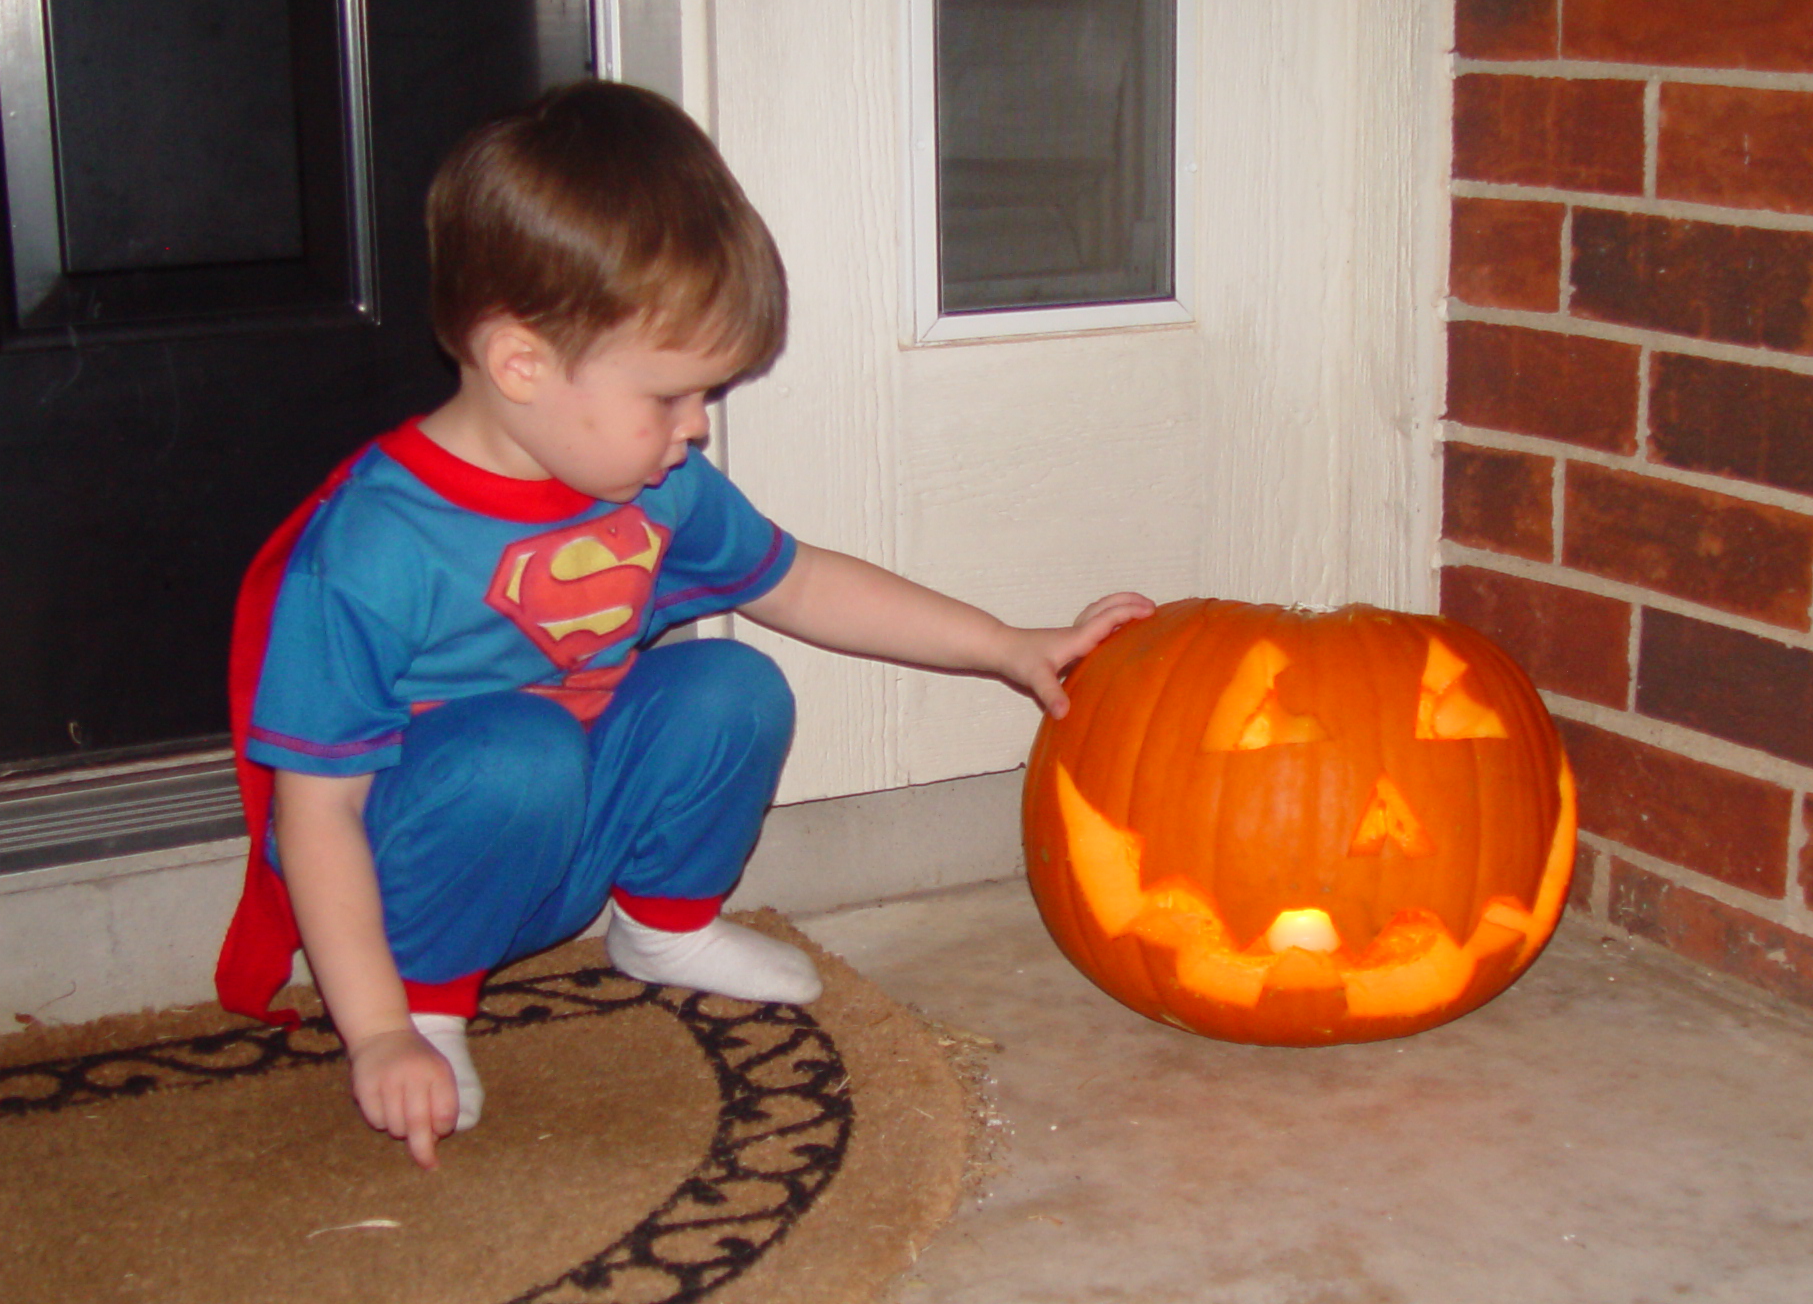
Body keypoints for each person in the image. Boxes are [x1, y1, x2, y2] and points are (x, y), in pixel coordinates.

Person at [216, 80, 1151, 1169]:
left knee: (730, 685)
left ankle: (662, 928)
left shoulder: (652, 487)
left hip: (564, 826)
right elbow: (315, 813)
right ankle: (434, 1005)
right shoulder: (378, 545)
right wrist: (375, 1026)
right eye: (669, 396)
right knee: (512, 748)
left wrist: (1006, 645)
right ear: (521, 364)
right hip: (413, 869)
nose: (694, 429)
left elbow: (798, 581)